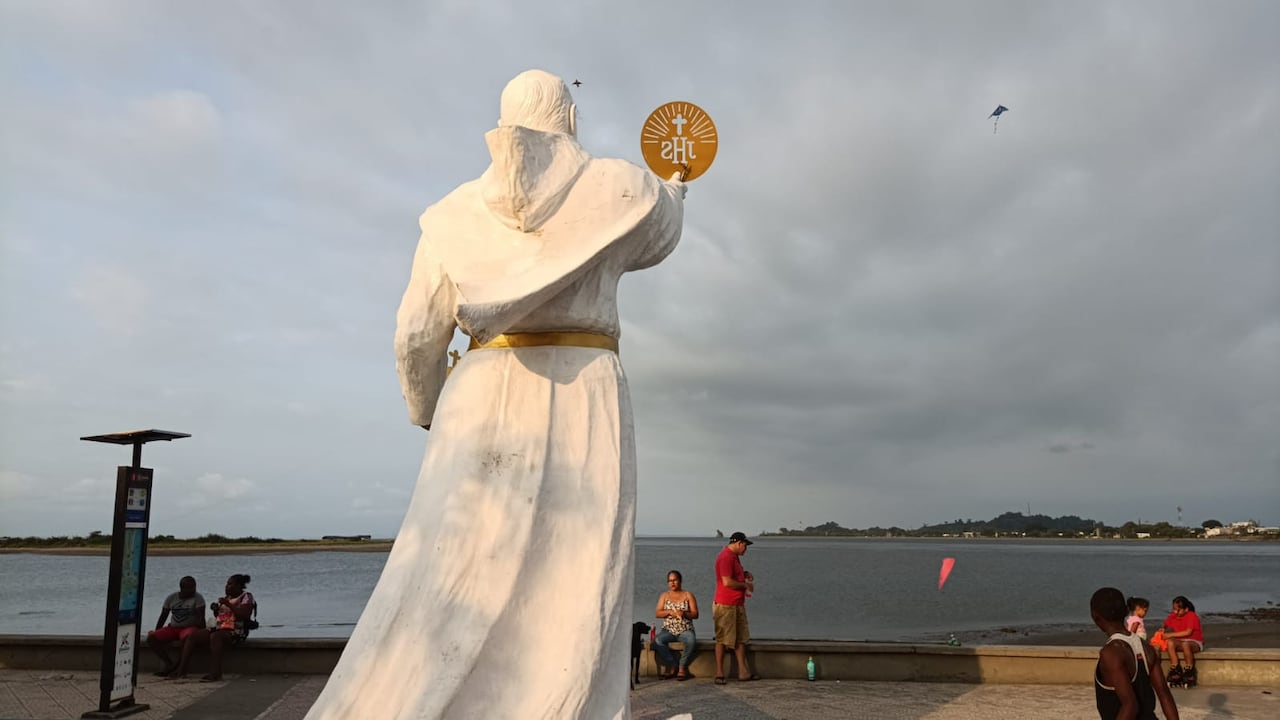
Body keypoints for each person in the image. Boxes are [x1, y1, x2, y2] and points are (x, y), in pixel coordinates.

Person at [304, 69, 687, 720]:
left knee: (449, 563)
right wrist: (678, 187)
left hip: (476, 395)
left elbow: (416, 334)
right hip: (586, 386)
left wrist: (427, 409)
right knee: (577, 565)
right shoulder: (620, 186)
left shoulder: (451, 216)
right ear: (569, 119)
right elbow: (661, 232)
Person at [1090, 587, 1179, 720]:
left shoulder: (1111, 653)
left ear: (1095, 617)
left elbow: (1130, 705)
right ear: (1127, 610)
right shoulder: (1146, 647)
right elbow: (1164, 694)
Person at [187, 573, 256, 682]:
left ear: (238, 586)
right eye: (227, 584)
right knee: (193, 636)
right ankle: (181, 669)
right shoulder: (227, 598)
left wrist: (228, 604)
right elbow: (221, 616)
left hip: (237, 631)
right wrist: (216, 609)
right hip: (221, 628)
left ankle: (215, 673)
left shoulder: (246, 597)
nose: (226, 586)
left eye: (230, 584)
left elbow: (244, 615)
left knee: (215, 637)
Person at [713, 532, 758, 685]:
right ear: (738, 543)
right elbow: (727, 582)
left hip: (737, 603)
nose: (746, 548)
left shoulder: (734, 557)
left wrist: (744, 574)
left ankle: (743, 671)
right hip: (725, 605)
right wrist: (745, 585)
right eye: (745, 545)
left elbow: (732, 576)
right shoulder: (726, 557)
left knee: (740, 638)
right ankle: (719, 672)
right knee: (722, 638)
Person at [146, 576, 206, 677]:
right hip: (173, 628)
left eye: (194, 587)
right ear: (182, 588)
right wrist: (157, 630)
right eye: (190, 588)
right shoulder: (171, 598)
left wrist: (201, 630)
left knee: (188, 638)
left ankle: (180, 667)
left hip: (189, 627)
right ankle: (169, 664)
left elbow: (201, 618)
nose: (193, 590)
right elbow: (163, 616)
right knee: (151, 638)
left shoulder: (198, 598)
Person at [653, 570, 699, 680]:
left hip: (685, 629)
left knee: (691, 640)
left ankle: (682, 667)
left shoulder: (688, 595)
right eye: (670, 581)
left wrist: (684, 613)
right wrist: (669, 612)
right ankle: (674, 664)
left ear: (680, 581)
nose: (672, 583)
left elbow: (695, 614)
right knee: (657, 641)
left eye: (675, 580)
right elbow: (658, 613)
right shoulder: (664, 595)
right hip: (668, 629)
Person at [1162, 595, 1204, 687]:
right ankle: (1175, 667)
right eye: (1174, 609)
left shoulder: (1192, 616)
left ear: (1186, 609)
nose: (1175, 612)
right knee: (1170, 642)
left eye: (1178, 610)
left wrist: (1170, 634)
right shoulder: (1174, 615)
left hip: (1194, 642)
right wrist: (1162, 629)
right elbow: (1165, 623)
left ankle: (1189, 669)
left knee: (1185, 644)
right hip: (1180, 641)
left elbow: (1188, 632)